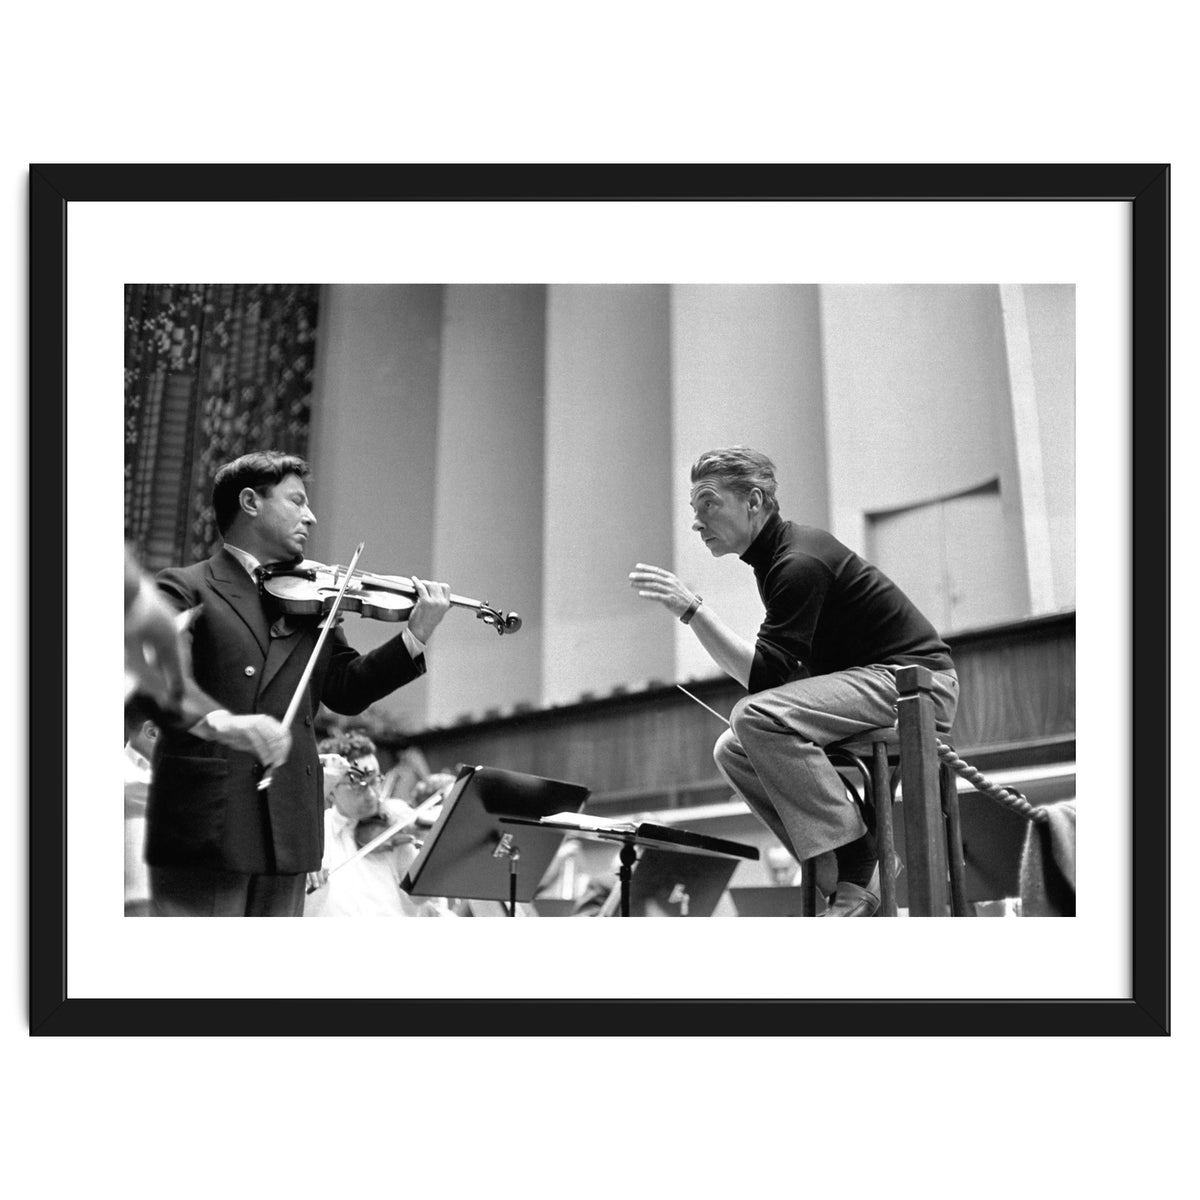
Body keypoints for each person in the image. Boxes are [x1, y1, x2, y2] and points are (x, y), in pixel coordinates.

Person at [630, 447, 958, 917]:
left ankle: (860, 865)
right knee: (732, 748)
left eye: (708, 504)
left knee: (752, 716)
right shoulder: (775, 563)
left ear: (754, 500)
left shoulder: (798, 562)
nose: (697, 522)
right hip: (872, 684)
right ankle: (842, 882)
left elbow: (763, 682)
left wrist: (693, 611)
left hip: (916, 685)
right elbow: (773, 676)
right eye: (694, 510)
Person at [144, 450, 452, 916]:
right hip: (210, 822)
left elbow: (346, 689)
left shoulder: (313, 600)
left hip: (287, 826)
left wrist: (415, 634)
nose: (310, 516)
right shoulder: (188, 587)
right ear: (250, 502)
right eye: (296, 501)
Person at [304, 732, 454, 918]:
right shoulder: (315, 834)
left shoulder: (394, 831)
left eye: (375, 780)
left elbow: (420, 896)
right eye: (358, 784)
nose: (373, 795)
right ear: (332, 790)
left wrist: (439, 844)